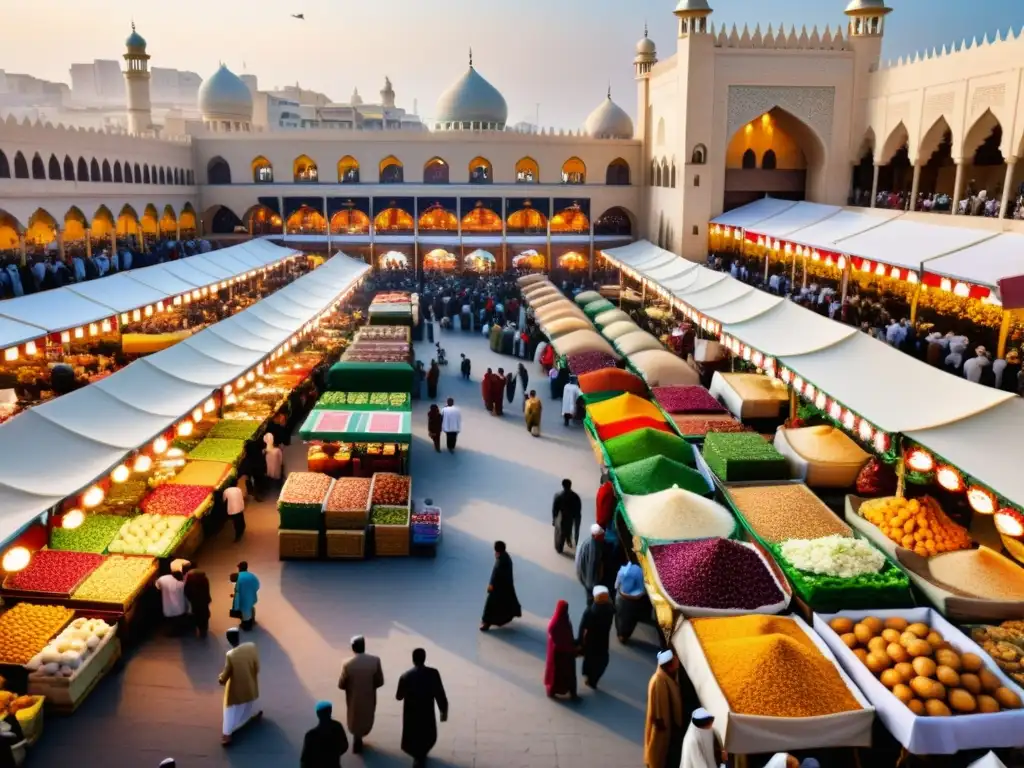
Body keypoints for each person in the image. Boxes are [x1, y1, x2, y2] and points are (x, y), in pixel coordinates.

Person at [396, 648, 449, 768]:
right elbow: (440, 693)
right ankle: (422, 755)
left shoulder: (406, 676)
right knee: (426, 734)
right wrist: (443, 710)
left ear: (413, 660)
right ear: (424, 658)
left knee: (413, 734)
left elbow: (399, 696)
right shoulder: (433, 674)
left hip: (411, 714)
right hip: (426, 713)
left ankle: (417, 757)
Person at [338, 635, 384, 754]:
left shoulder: (347, 664)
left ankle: (356, 738)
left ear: (353, 648)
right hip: (369, 696)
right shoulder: (375, 660)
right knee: (366, 716)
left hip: (354, 698)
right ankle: (361, 737)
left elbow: (341, 684)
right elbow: (380, 681)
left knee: (355, 717)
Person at [218, 627, 262, 746]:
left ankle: (227, 734)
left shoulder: (230, 655)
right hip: (250, 682)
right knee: (250, 700)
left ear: (228, 640)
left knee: (229, 709)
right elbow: (257, 666)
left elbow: (226, 673)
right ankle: (252, 714)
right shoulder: (251, 647)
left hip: (236, 687)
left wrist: (221, 679)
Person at [645, 651, 684, 768]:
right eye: (675, 661)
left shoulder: (666, 677)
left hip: (668, 727)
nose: (678, 662)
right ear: (669, 664)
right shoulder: (659, 681)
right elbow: (658, 713)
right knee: (659, 755)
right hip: (663, 729)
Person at [577, 585, 615, 689]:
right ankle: (593, 679)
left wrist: (580, 642)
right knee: (601, 660)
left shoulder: (590, 611)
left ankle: (589, 677)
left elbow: (582, 627)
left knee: (590, 659)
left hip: (591, 641)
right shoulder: (610, 609)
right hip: (603, 641)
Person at [480, 540, 522, 631]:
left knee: (490, 605)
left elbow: (496, 575)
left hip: (498, 588)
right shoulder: (505, 557)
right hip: (505, 586)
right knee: (505, 603)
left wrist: (491, 586)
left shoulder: (501, 560)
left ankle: (486, 622)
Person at [544, 600, 578, 700]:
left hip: (558, 653)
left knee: (556, 674)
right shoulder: (563, 621)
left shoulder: (555, 621)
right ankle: (569, 692)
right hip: (564, 653)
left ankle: (553, 691)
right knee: (567, 673)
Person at [300, 701, 348, 768]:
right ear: (330, 712)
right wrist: (335, 755)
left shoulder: (311, 735)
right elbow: (345, 746)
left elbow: (305, 759)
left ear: (318, 714)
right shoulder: (337, 726)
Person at [614, 559, 649, 643]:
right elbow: (643, 591)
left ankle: (620, 634)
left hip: (621, 598)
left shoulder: (622, 571)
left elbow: (616, 586)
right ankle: (625, 635)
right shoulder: (642, 573)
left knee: (619, 616)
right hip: (634, 601)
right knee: (631, 620)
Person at [575, 524, 605, 606]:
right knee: (590, 599)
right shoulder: (593, 547)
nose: (603, 536)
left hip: (582, 573)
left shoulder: (588, 541)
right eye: (601, 535)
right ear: (595, 536)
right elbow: (591, 568)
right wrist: (592, 586)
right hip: (589, 581)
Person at [552, 478, 582, 554]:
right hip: (571, 517)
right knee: (569, 529)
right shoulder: (575, 496)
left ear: (563, 486)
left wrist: (554, 519)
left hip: (562, 517)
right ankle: (568, 539)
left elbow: (555, 509)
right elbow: (578, 509)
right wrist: (577, 520)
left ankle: (560, 547)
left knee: (561, 532)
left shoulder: (558, 496)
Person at [155, 569, 189, 635]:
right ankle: (176, 630)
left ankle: (172, 630)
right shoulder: (181, 584)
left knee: (171, 617)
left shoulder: (163, 578)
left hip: (167, 606)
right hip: (179, 608)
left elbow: (157, 586)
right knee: (176, 617)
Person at [183, 563, 212, 638]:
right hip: (204, 600)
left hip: (195, 602)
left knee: (196, 614)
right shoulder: (204, 578)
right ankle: (204, 629)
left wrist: (190, 598)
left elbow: (186, 591)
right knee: (204, 614)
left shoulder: (190, 580)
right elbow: (207, 589)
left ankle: (198, 628)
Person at [232, 561, 260, 631]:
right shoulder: (251, 575)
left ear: (240, 568)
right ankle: (252, 621)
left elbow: (238, 590)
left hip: (243, 598)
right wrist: (252, 591)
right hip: (251, 596)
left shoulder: (239, 577)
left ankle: (247, 626)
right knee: (251, 608)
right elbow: (257, 585)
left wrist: (235, 596)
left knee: (245, 612)